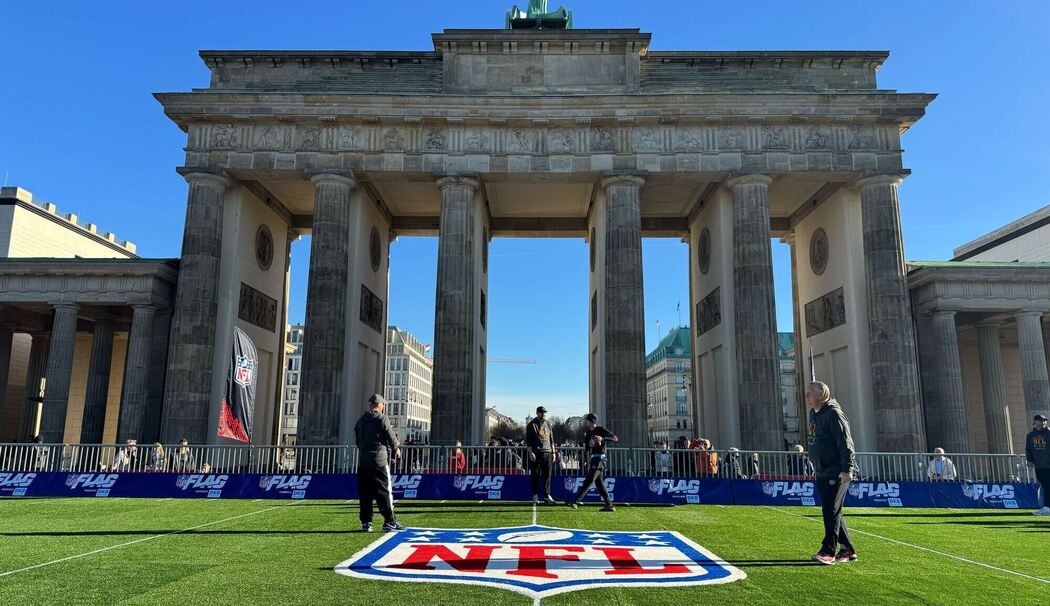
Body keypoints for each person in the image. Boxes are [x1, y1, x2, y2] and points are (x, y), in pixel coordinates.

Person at [806, 381, 857, 565]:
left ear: (821, 394)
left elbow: (846, 443)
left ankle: (828, 551)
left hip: (836, 471)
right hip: (822, 469)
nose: (806, 397)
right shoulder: (814, 413)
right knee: (834, 510)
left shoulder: (834, 414)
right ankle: (848, 549)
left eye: (809, 393)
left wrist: (847, 469)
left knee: (830, 510)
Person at [354, 393, 405, 532]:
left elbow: (357, 439)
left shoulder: (361, 420)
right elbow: (390, 436)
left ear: (370, 405)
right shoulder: (382, 419)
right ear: (380, 405)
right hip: (379, 462)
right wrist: (396, 447)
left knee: (365, 494)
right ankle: (389, 520)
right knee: (384, 492)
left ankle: (366, 522)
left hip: (364, 462)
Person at [566, 413, 617, 512]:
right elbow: (587, 448)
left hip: (600, 459)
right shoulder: (588, 433)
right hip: (594, 458)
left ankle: (575, 501)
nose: (585, 422)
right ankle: (609, 505)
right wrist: (590, 444)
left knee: (589, 480)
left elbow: (615, 438)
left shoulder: (601, 430)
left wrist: (603, 438)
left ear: (591, 421)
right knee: (599, 484)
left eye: (587, 420)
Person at [525, 405, 558, 504]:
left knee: (547, 475)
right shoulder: (531, 424)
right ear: (537, 413)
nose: (543, 414)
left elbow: (551, 439)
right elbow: (528, 440)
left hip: (547, 452)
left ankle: (547, 495)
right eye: (542, 412)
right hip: (537, 452)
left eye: (545, 412)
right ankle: (535, 495)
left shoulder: (548, 424)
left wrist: (553, 452)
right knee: (535, 475)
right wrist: (531, 452)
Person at [1025, 414, 1049, 516]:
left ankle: (1047, 507)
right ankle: (1046, 507)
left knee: (1048, 486)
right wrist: (1029, 460)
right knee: (1044, 486)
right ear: (1035, 422)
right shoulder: (1030, 435)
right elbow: (1028, 449)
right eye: (1041, 420)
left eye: (1044, 420)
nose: (1043, 422)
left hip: (1049, 464)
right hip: (1039, 465)